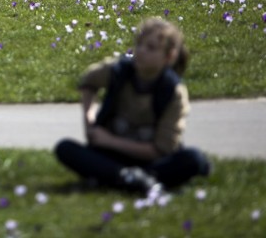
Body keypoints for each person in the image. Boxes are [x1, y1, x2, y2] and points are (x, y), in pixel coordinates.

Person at [54, 18, 211, 194]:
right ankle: (136, 180)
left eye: (151, 48)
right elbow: (88, 82)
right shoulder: (118, 71)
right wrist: (89, 119)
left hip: (150, 160)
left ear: (169, 57)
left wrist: (110, 141)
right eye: (139, 45)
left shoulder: (173, 91)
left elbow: (161, 150)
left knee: (193, 158)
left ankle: (126, 177)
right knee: (65, 148)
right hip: (109, 155)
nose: (141, 51)